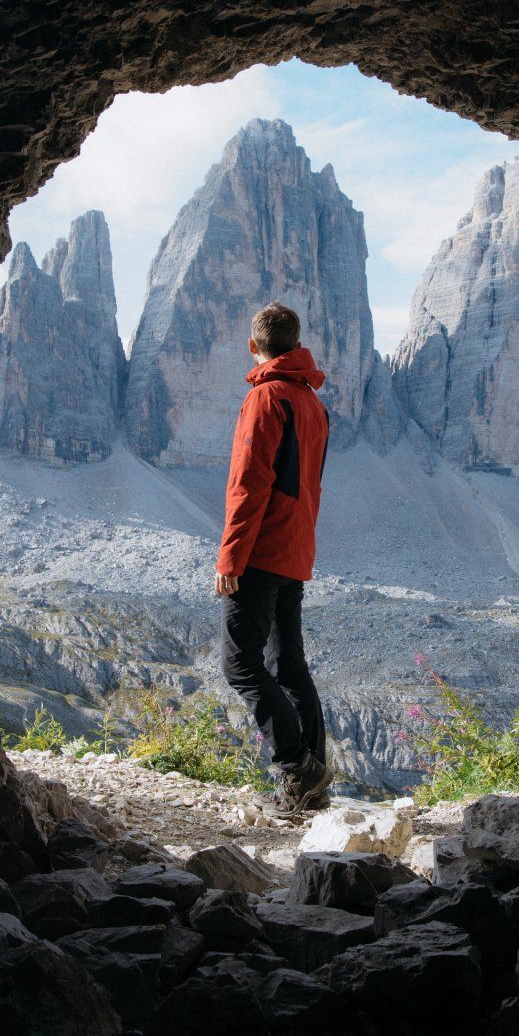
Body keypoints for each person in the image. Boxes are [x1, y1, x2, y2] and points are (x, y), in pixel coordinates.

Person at [215, 302, 333, 813]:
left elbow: (249, 485)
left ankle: (297, 767)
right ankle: (314, 784)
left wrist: (230, 559)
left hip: (262, 551)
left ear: (253, 345)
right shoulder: (312, 402)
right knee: (288, 667)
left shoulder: (266, 398)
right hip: (296, 549)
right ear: (297, 341)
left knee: (240, 665)